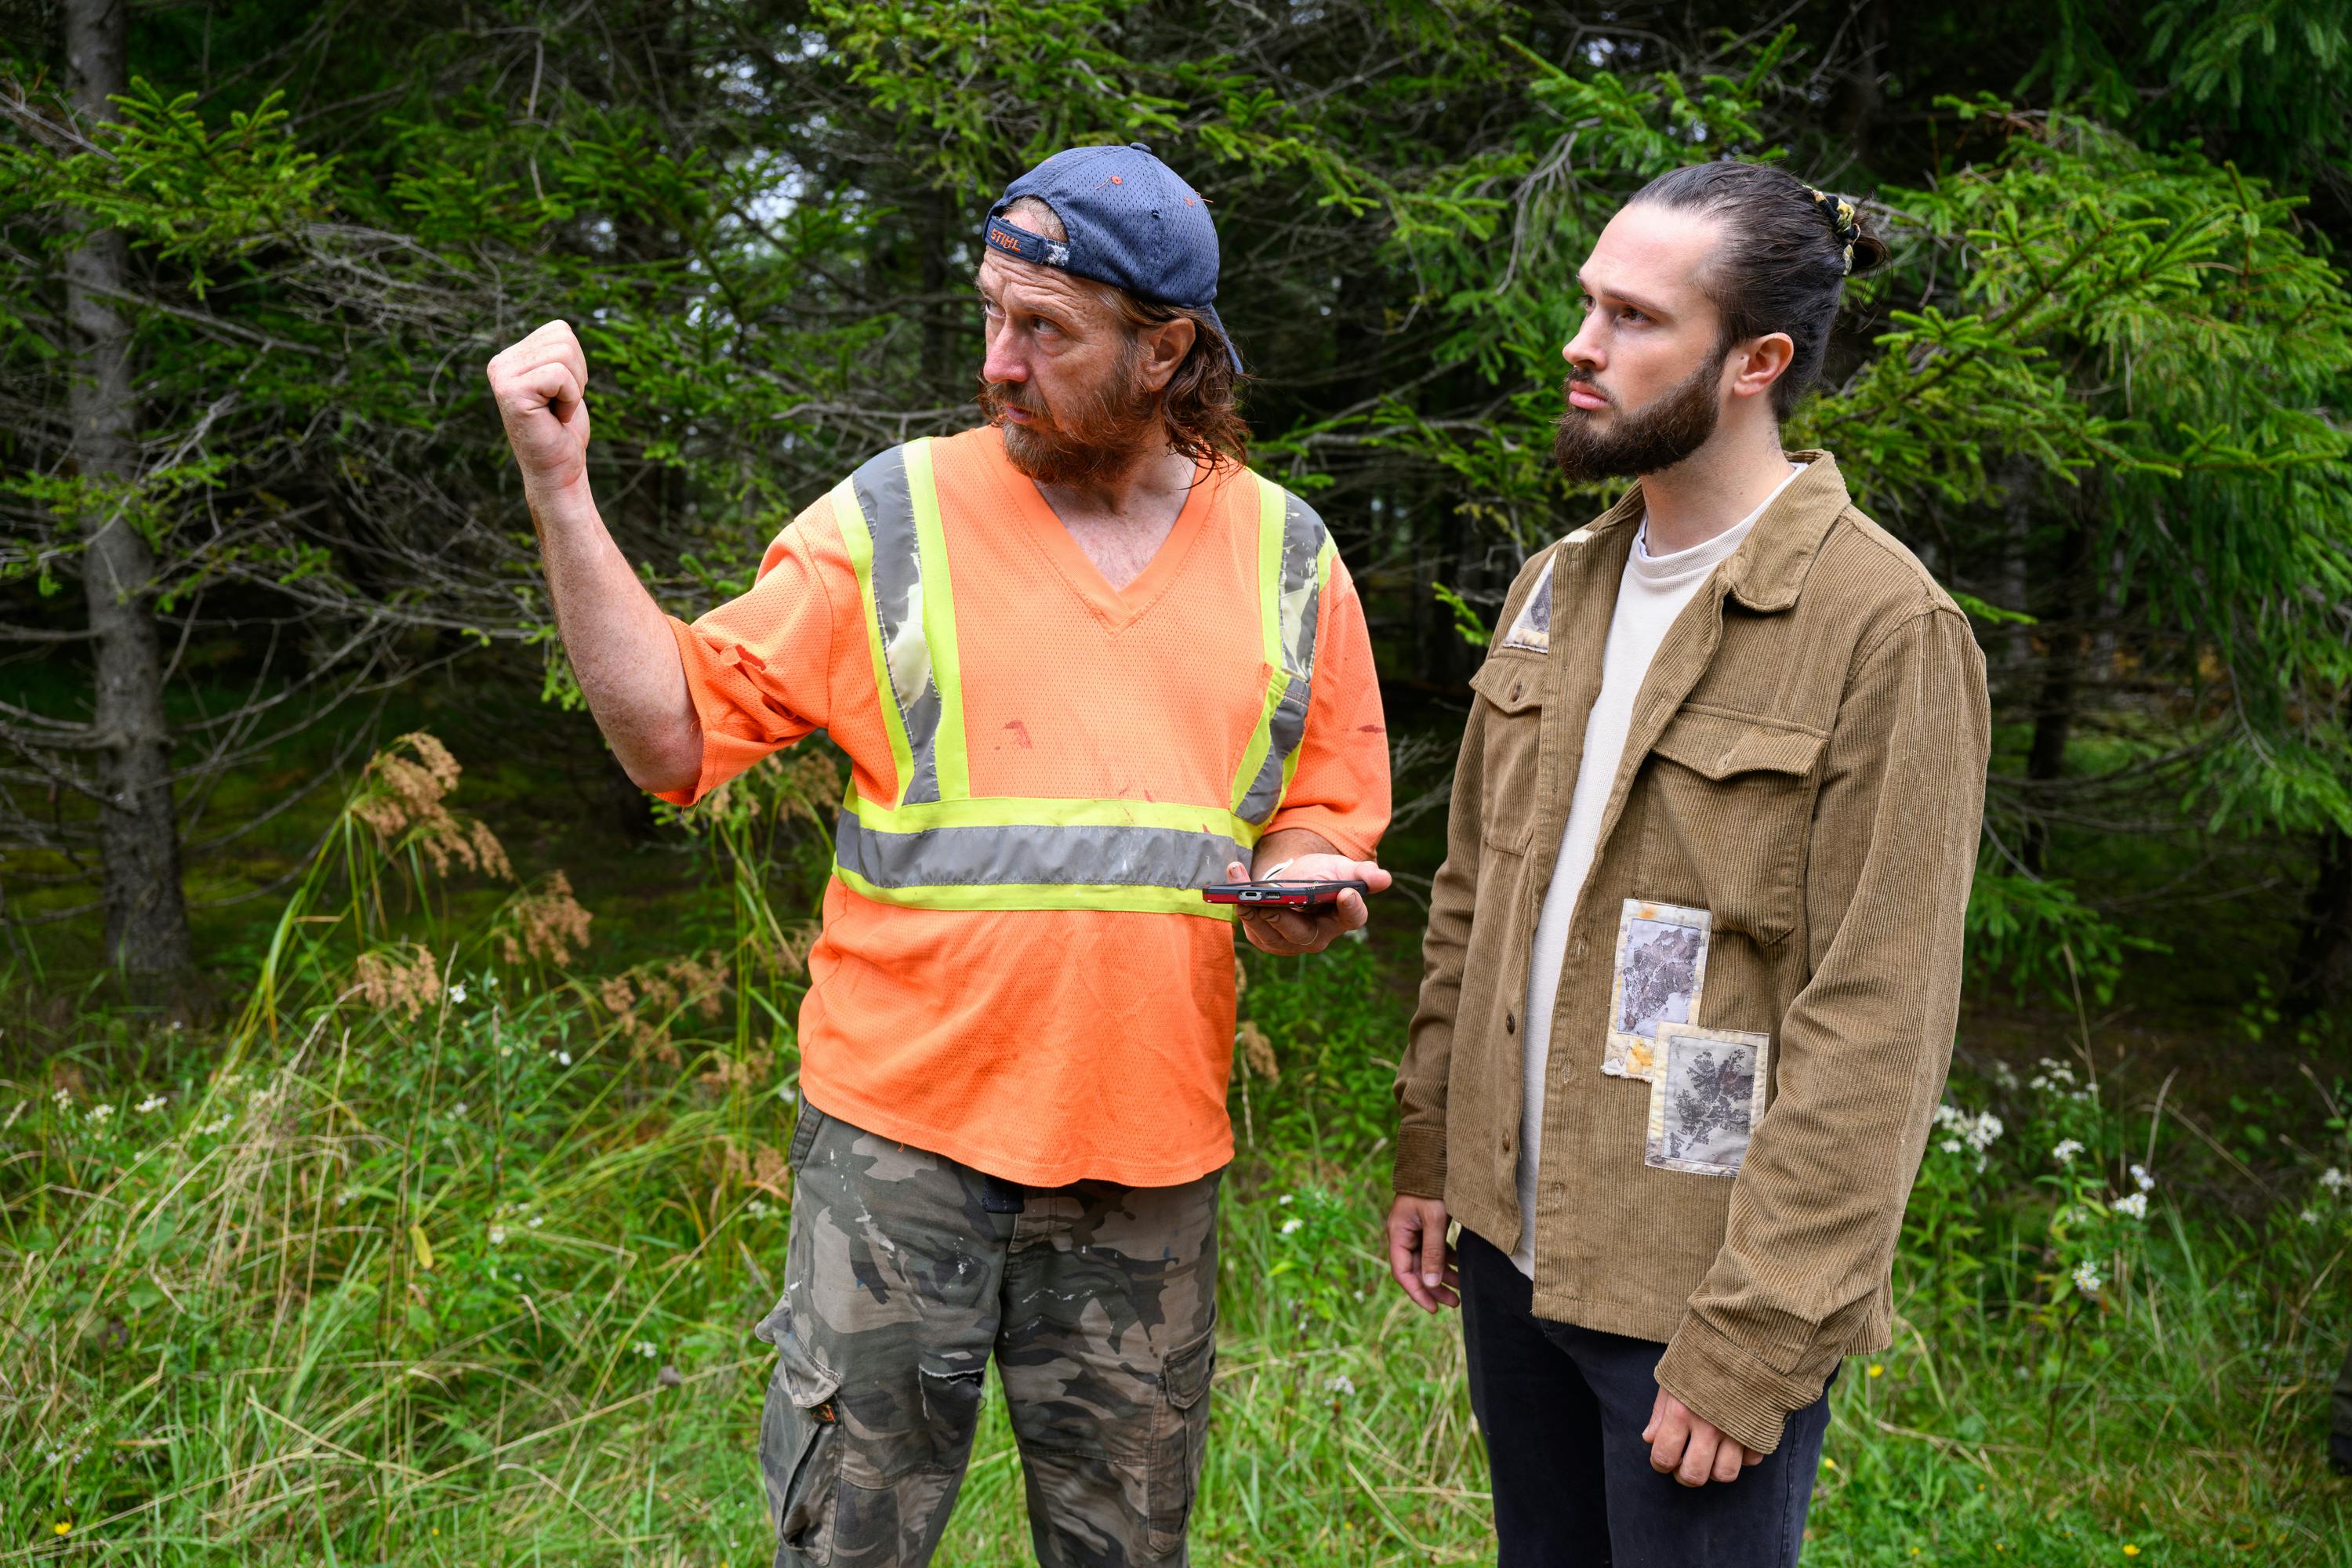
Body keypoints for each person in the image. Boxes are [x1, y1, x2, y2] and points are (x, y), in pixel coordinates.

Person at [486, 143, 1391, 1567]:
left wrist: (1308, 879)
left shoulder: (1290, 555)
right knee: (845, 1545)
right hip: (899, 1154)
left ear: (1166, 350)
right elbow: (673, 732)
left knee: (1127, 1551)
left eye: (1046, 329)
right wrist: (560, 486)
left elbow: (1327, 803)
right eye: (989, 314)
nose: (999, 363)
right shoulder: (896, 516)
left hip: (1147, 1163)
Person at [1384, 162, 1989, 1565]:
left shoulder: (1879, 626)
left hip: (1696, 1284)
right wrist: (1435, 1147)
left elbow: (1878, 1017)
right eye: (1587, 303)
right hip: (1513, 1251)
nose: (1581, 346)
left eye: (1634, 319)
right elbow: (1476, 896)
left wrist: (1764, 1330)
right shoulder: (1557, 588)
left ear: (1755, 363)